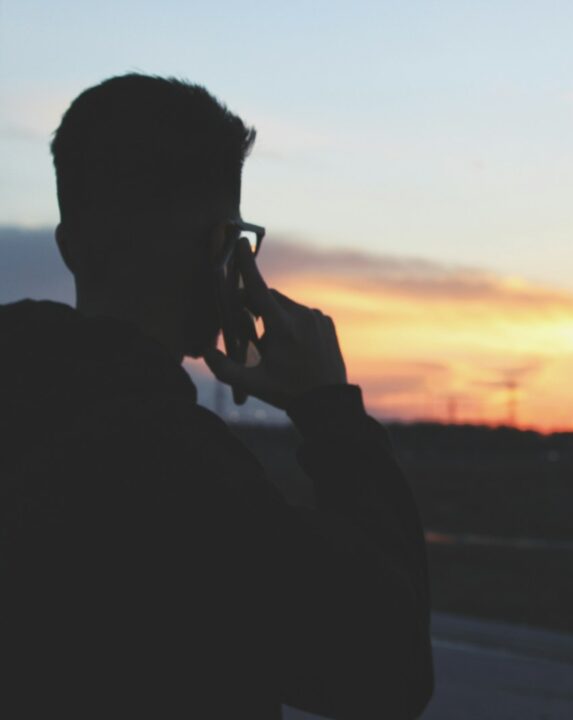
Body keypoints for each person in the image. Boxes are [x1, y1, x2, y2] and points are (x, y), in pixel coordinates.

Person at [0, 74, 434, 719]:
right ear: (221, 250)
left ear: (68, 246)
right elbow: (387, 672)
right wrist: (330, 411)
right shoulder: (171, 469)